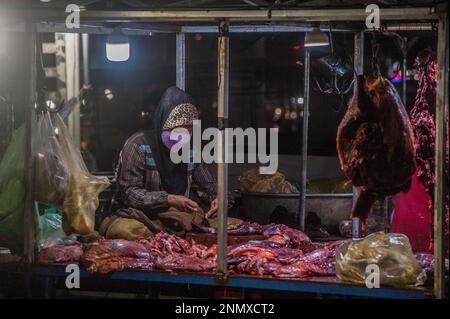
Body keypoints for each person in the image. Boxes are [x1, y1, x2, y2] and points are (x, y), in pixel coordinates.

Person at [99, 87, 219, 240]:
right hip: (140, 217)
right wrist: (168, 199)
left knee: (226, 226)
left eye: (187, 130)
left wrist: (217, 198)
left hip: (178, 218)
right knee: (127, 230)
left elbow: (209, 185)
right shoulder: (138, 145)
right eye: (175, 130)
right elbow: (129, 193)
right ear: (162, 123)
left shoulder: (190, 151)